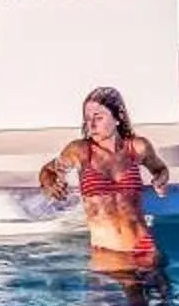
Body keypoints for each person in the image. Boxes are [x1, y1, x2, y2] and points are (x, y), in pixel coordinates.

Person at [37, 84, 170, 263]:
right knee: (133, 289)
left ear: (118, 118)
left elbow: (160, 169)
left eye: (98, 118)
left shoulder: (137, 148)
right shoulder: (80, 151)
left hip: (144, 246)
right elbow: (48, 170)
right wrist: (49, 183)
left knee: (168, 291)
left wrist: (160, 179)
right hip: (108, 251)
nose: (91, 124)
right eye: (87, 118)